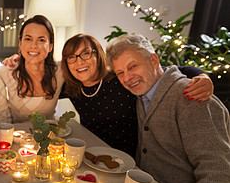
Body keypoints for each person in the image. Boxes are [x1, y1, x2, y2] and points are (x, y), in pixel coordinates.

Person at [107, 33, 230, 183]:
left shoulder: (191, 97)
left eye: (133, 66)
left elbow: (216, 171)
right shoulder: (142, 94)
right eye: (120, 72)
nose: (127, 77)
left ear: (153, 60)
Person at [60, 33, 212, 156]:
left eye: (85, 54)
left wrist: (202, 76)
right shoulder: (70, 88)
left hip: (129, 162)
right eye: (71, 57)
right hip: (92, 156)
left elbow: (163, 71)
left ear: (98, 55)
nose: (78, 62)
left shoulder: (120, 79)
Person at [0, 15, 63, 122]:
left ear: (50, 46)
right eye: (28, 39)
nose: (34, 45)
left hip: (50, 137)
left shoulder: (60, 72)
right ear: (20, 43)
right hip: (16, 136)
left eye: (41, 40)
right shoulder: (7, 71)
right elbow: (1, 116)